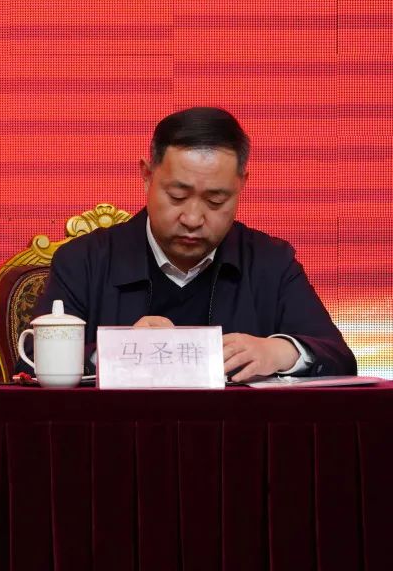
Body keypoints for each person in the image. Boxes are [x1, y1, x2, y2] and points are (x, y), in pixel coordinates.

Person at [19, 107, 356, 381]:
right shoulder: (84, 260)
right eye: (178, 196)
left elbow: (340, 358)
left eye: (215, 200)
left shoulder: (271, 261)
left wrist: (282, 352)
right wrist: (116, 351)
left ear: (242, 185)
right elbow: (29, 367)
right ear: (147, 176)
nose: (193, 218)